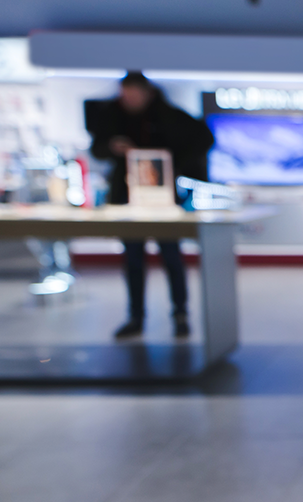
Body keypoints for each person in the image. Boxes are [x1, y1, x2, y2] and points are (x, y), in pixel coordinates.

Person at [87, 72, 214, 339]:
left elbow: (202, 139)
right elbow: (97, 148)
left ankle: (180, 314)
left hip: (163, 199)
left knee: (171, 257)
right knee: (133, 260)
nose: (130, 101)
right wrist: (112, 147)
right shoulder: (113, 116)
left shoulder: (168, 116)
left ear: (147, 93)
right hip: (127, 198)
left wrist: (173, 163)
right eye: (126, 96)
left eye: (134, 95)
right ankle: (136, 317)